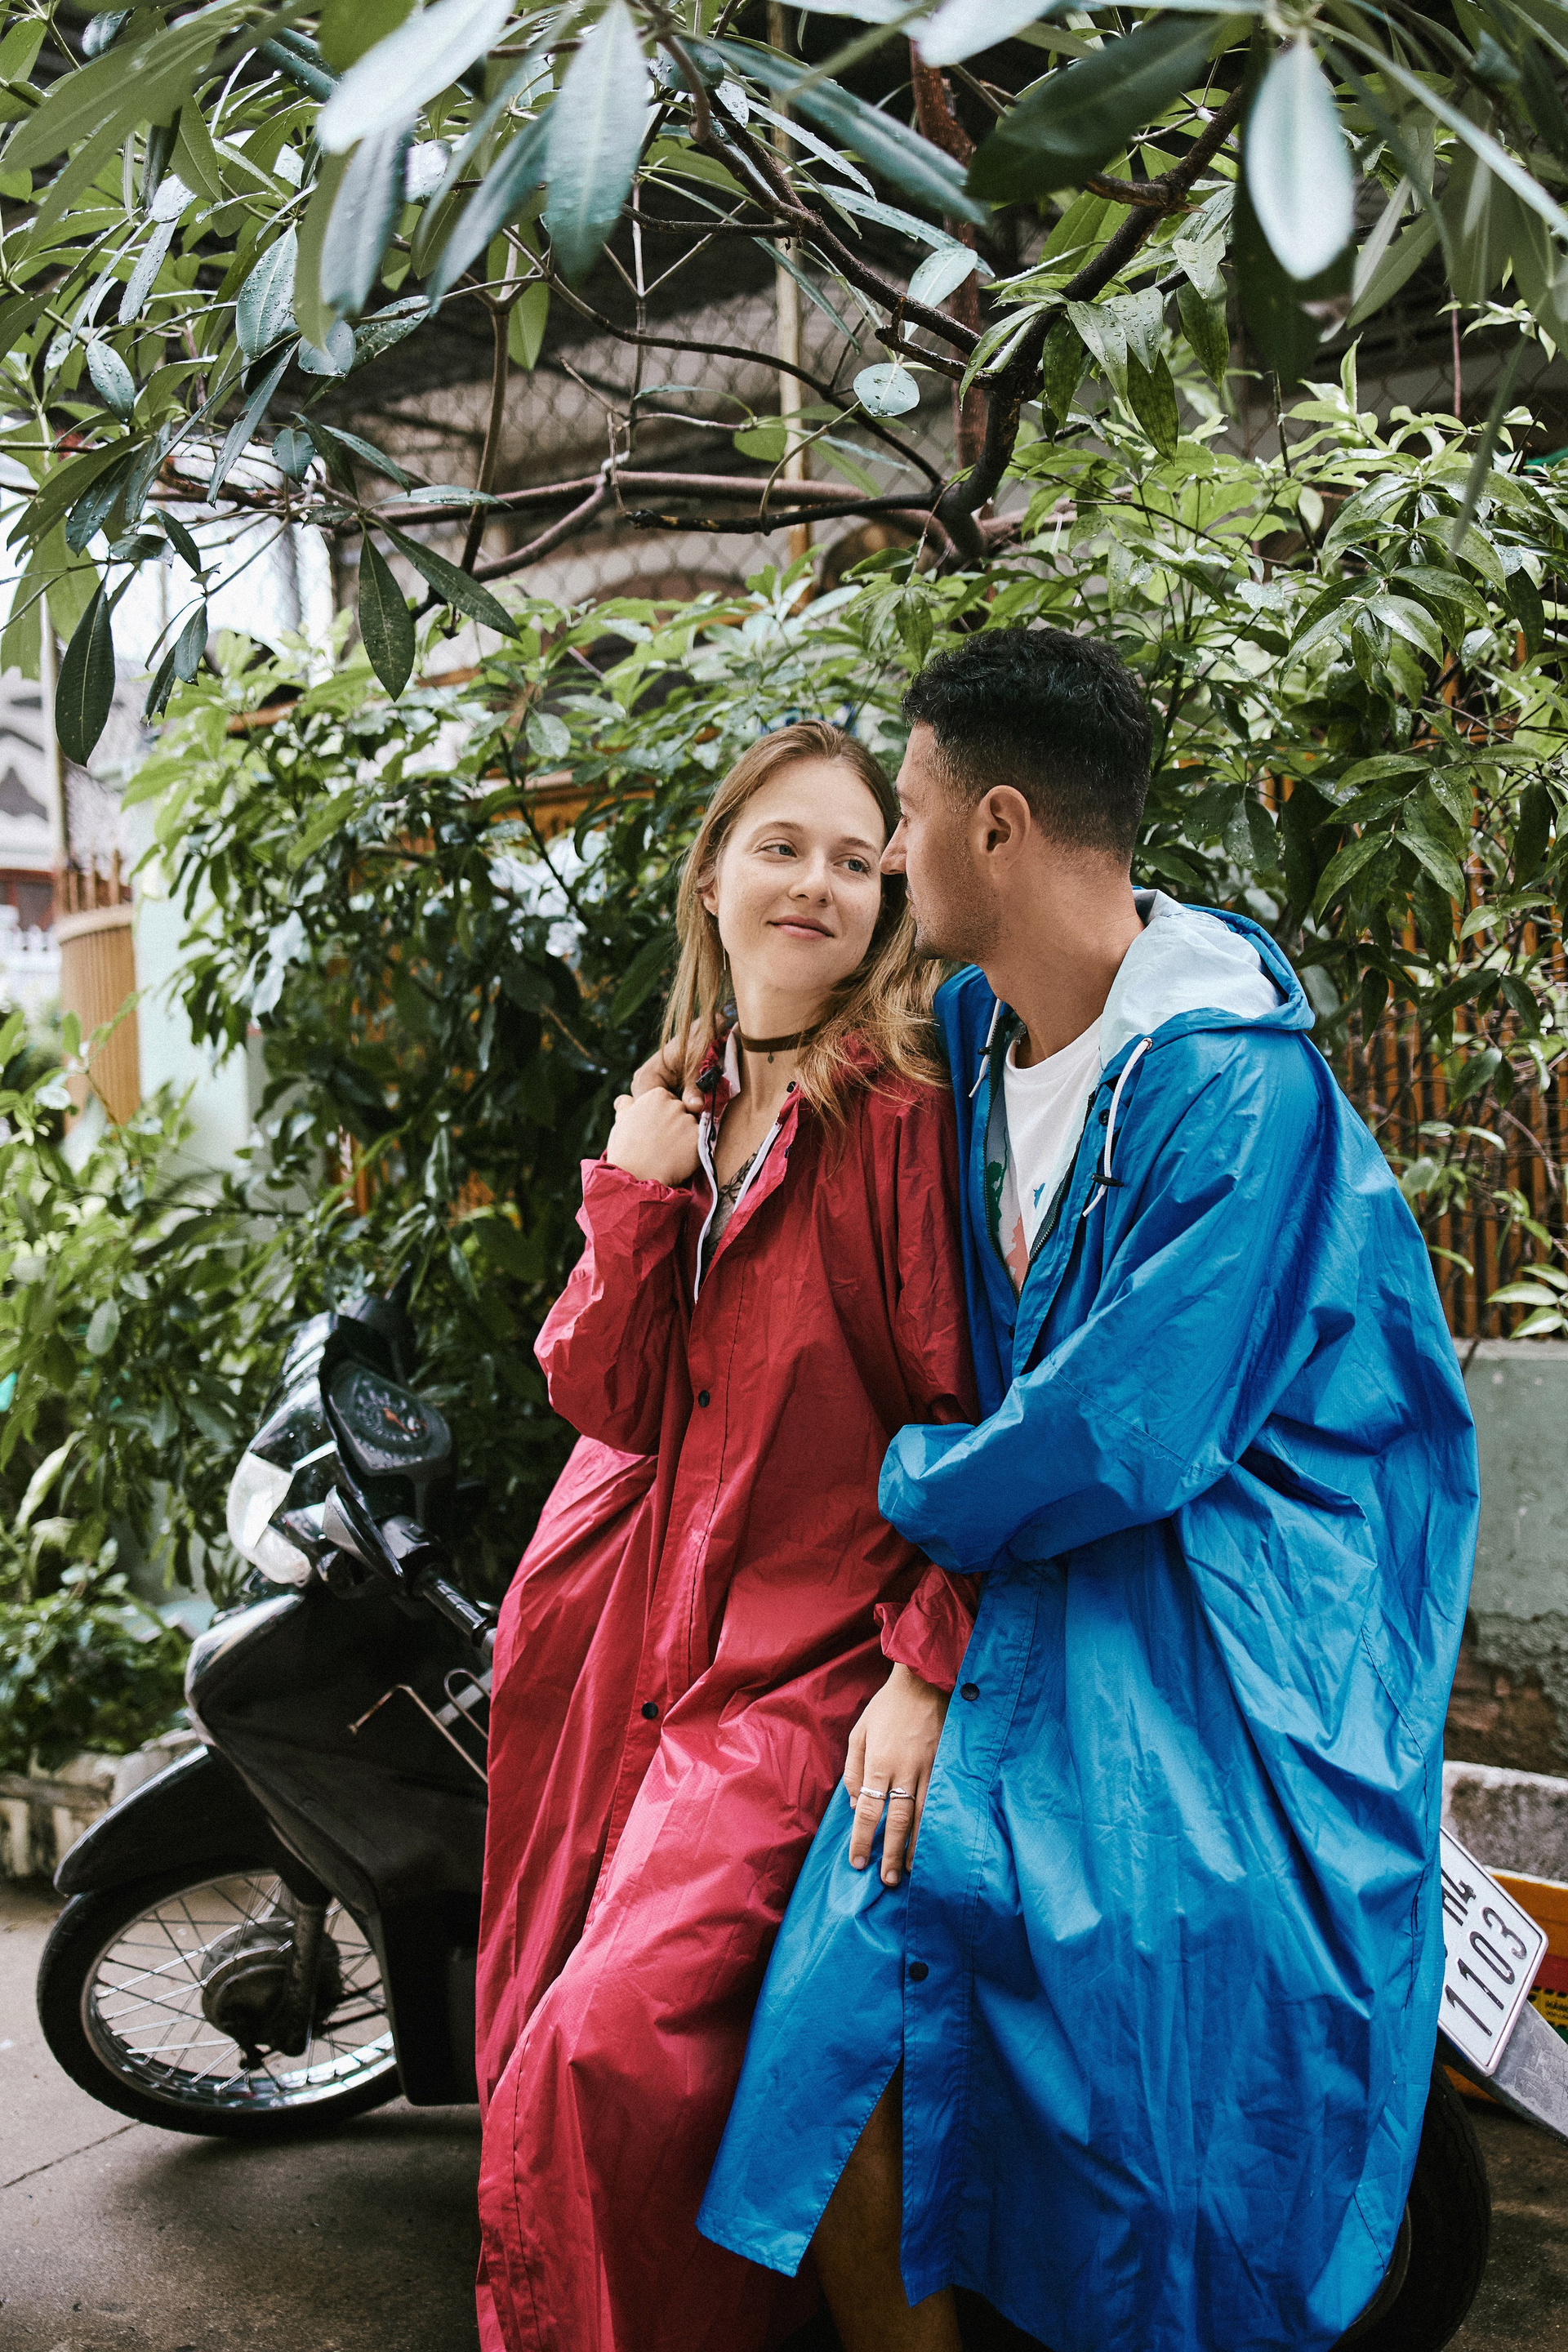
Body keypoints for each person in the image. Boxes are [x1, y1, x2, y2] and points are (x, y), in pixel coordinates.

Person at [698, 630, 1480, 2352]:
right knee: (834, 2047)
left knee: (1163, 2011)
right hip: (1037, 1572)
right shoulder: (979, 1031)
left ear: (994, 827)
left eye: (902, 819)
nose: (884, 861)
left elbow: (1125, 1430)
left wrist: (910, 1494)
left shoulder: (1232, 1087)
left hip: (1237, 1600)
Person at [474, 719, 981, 2352]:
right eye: (781, 847)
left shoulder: (895, 1115)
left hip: (807, 1665)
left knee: (601, 2048)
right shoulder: (691, 1094)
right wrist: (634, 1189)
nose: (817, 884)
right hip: (646, 1645)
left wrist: (925, 1663)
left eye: (855, 860)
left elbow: (975, 1419)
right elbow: (607, 1392)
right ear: (710, 877)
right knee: (539, 2022)